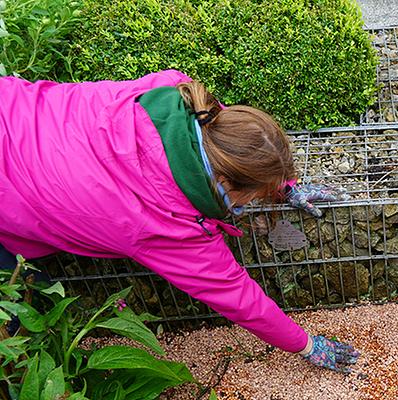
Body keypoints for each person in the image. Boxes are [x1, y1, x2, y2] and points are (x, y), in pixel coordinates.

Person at [0, 70, 360, 373]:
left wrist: (284, 185)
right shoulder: (166, 223)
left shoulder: (178, 92)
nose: (255, 202)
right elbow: (240, 299)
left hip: (12, 106)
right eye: (255, 194)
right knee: (14, 326)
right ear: (231, 184)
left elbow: (229, 144)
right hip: (8, 196)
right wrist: (308, 345)